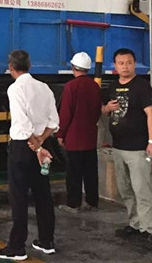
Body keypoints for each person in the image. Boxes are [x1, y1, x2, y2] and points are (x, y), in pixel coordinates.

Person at [0, 50, 58, 261]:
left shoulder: (15, 89)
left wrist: (35, 146)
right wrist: (41, 141)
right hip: (43, 144)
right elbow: (53, 121)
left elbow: (22, 123)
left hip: (23, 147)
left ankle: (17, 247)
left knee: (18, 196)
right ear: (29, 65)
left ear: (11, 67)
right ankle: (46, 241)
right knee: (43, 193)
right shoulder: (44, 87)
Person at [102, 48, 152, 244]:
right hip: (118, 147)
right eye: (121, 63)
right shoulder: (113, 86)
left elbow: (151, 114)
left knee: (141, 190)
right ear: (115, 66)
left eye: (129, 62)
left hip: (138, 149)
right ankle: (134, 224)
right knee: (125, 190)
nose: (125, 66)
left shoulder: (142, 86)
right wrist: (107, 108)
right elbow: (104, 110)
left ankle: (147, 229)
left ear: (134, 64)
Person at [57, 51, 101, 213]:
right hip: (90, 137)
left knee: (74, 173)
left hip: (74, 138)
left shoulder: (70, 86)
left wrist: (60, 134)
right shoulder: (95, 86)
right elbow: (97, 111)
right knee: (90, 172)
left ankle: (74, 204)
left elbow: (66, 113)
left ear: (73, 67)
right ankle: (92, 202)